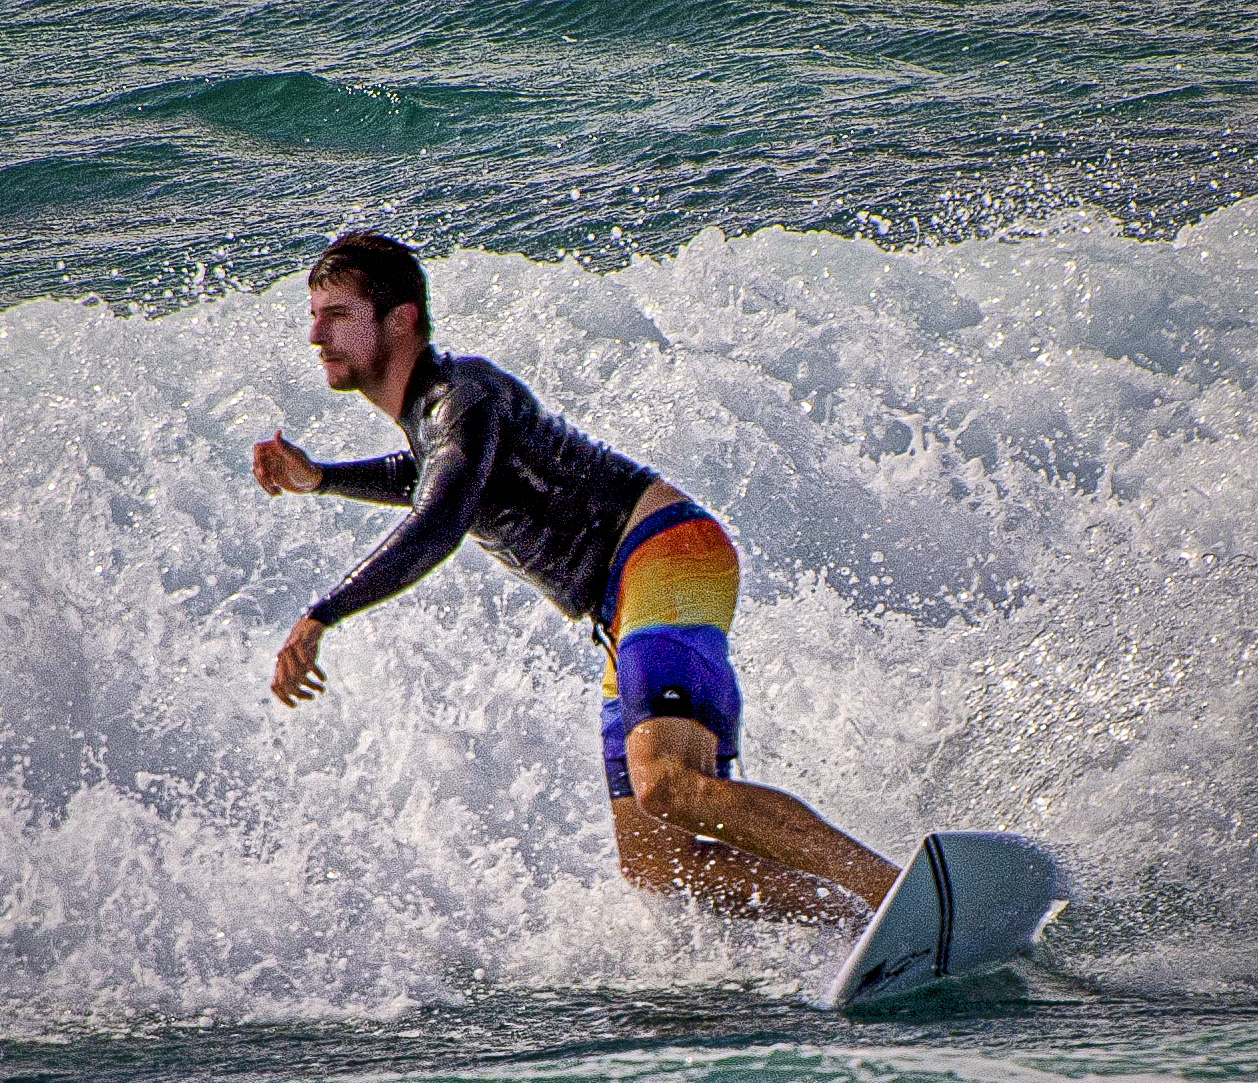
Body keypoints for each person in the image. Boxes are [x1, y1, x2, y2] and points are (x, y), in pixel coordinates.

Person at [252, 231, 899, 923]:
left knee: (668, 784)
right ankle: (858, 923)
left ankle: (889, 888)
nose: (316, 334)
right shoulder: (435, 421)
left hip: (661, 554)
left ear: (401, 318)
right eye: (314, 315)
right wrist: (323, 479)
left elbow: (440, 515)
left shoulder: (462, 397)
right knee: (658, 860)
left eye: (339, 314)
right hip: (624, 603)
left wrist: (325, 613)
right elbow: (426, 477)